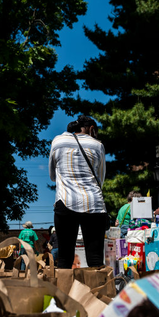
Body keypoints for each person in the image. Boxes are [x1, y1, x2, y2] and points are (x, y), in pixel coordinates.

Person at [49, 115, 108, 269]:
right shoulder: (97, 145)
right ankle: (98, 293)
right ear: (92, 129)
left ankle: (65, 292)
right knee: (95, 259)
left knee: (64, 259)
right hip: (93, 203)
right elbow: (100, 179)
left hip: (65, 202)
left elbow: (52, 175)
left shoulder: (58, 141)